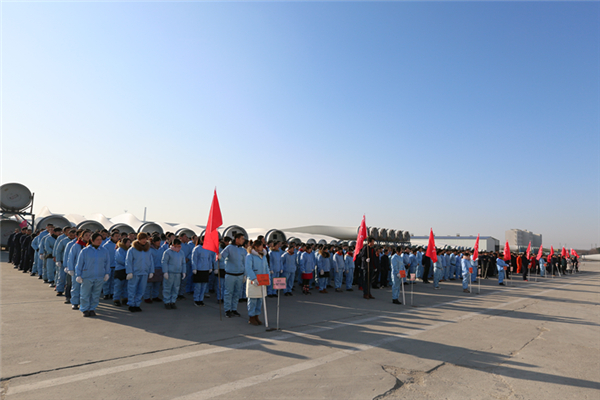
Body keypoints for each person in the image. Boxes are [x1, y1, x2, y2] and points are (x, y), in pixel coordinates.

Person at [75, 232, 110, 317]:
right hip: (87, 276)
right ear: (92, 240)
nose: (99, 241)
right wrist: (78, 275)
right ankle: (85, 309)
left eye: (100, 239)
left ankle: (92, 309)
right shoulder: (85, 251)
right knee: (85, 294)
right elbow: (79, 263)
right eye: (97, 240)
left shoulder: (104, 251)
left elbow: (107, 263)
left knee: (96, 294)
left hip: (99, 276)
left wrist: (107, 273)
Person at [125, 232, 154, 312]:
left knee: (141, 290)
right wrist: (129, 272)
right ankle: (131, 304)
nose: (144, 240)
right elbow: (128, 261)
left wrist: (151, 271)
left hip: (144, 272)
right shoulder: (132, 249)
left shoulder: (148, 250)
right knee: (132, 289)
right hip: (135, 273)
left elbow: (151, 261)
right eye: (142, 239)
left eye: (145, 239)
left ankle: (137, 304)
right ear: (138, 239)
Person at [220, 233, 246, 318]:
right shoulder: (229, 248)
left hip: (240, 275)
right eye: (242, 238)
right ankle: (227, 310)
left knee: (237, 293)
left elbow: (245, 262)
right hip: (230, 274)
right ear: (237, 239)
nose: (243, 240)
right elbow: (222, 257)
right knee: (228, 293)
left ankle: (234, 309)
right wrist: (219, 257)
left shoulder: (243, 250)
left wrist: (245, 275)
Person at [245, 241, 269, 326]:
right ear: (256, 246)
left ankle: (257, 316)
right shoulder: (250, 256)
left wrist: (268, 278)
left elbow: (266, 268)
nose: (263, 247)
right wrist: (253, 278)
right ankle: (251, 317)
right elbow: (248, 268)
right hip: (254, 281)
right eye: (261, 245)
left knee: (260, 300)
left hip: (262, 281)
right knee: (253, 300)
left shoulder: (263, 256)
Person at [67, 230, 91, 310]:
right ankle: (74, 302)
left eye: (89, 235)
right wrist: (71, 269)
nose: (88, 237)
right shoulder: (76, 246)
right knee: (76, 287)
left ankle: (84, 303)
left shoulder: (90, 246)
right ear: (82, 236)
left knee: (86, 288)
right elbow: (71, 258)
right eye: (86, 235)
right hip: (77, 269)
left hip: (87, 270)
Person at [191, 236, 216, 307]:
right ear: (201, 240)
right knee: (198, 287)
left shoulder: (208, 249)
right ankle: (196, 299)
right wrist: (194, 268)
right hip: (198, 270)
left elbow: (210, 259)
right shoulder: (196, 249)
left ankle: (201, 299)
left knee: (204, 286)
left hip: (206, 269)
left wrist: (210, 267)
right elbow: (194, 259)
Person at [162, 238, 186, 309]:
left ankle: (173, 301)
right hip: (170, 273)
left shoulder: (181, 252)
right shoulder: (167, 252)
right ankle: (167, 301)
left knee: (176, 288)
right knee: (167, 287)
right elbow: (164, 262)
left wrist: (184, 272)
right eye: (177, 245)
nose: (178, 247)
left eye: (179, 245)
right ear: (173, 244)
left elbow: (183, 263)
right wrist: (165, 272)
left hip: (178, 273)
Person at [54, 228, 75, 296]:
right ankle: (59, 290)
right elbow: (58, 250)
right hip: (64, 261)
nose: (72, 237)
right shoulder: (63, 241)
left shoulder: (76, 242)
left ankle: (71, 292)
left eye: (74, 235)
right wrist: (58, 260)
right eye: (71, 235)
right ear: (68, 234)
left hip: (73, 262)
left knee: (72, 279)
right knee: (62, 276)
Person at [145, 236, 165, 303]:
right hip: (151, 268)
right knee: (149, 285)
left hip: (159, 268)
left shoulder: (161, 249)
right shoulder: (149, 249)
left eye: (159, 241)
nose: (159, 242)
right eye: (157, 241)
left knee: (157, 284)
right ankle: (147, 297)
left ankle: (155, 296)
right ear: (153, 242)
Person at [101, 231, 120, 300]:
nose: (117, 237)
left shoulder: (119, 244)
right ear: (111, 237)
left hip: (116, 265)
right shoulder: (106, 245)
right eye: (116, 236)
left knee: (114, 281)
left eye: (118, 236)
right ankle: (106, 293)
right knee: (106, 281)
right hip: (108, 266)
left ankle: (112, 293)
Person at [113, 237, 131, 306]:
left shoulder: (129, 250)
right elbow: (120, 260)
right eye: (128, 242)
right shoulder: (119, 250)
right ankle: (116, 299)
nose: (129, 244)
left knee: (125, 286)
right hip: (120, 270)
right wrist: (128, 264)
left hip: (126, 269)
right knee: (118, 286)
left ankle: (125, 298)